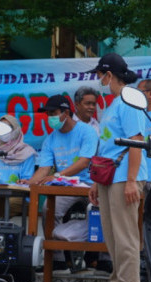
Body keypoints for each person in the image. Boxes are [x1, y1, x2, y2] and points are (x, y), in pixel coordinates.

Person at [87, 53, 147, 282]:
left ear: (109, 75)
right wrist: (95, 182)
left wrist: (132, 180)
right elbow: (107, 146)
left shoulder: (129, 101)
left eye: (100, 74)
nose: (98, 79)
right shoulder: (112, 105)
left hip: (125, 176)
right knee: (111, 235)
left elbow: (137, 142)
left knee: (125, 235)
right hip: (108, 175)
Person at [23, 95, 97, 269]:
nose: (50, 118)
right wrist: (29, 182)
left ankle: (102, 259)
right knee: (49, 209)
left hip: (91, 185)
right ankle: (56, 259)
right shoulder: (50, 139)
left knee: (99, 214)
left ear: (66, 112)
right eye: (48, 114)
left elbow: (84, 161)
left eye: (53, 113)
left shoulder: (87, 132)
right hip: (67, 187)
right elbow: (44, 169)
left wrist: (58, 176)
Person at [0, 115, 36, 228]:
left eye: (8, 128)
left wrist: (23, 182)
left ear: (16, 130)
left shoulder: (27, 152)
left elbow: (27, 179)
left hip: (19, 195)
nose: (4, 132)